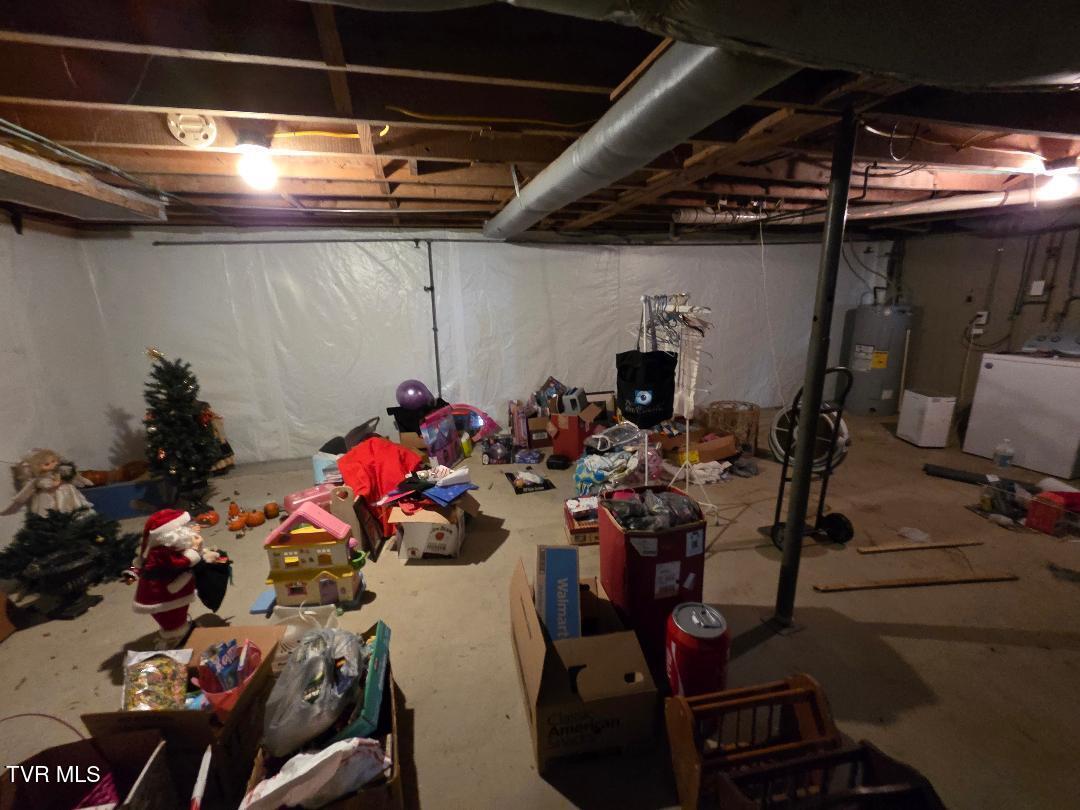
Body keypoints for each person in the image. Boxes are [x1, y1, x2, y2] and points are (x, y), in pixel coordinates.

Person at [126, 508, 218, 648]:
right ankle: (177, 638)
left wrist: (200, 550)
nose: (187, 529)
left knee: (176, 614)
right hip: (164, 593)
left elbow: (139, 564)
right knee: (172, 617)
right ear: (170, 533)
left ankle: (177, 631)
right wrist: (194, 551)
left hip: (170, 588)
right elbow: (180, 562)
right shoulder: (161, 552)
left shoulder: (165, 546)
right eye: (181, 527)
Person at [2, 448, 95, 517]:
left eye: (53, 461)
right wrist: (55, 481)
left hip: (69, 493)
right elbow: (45, 484)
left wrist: (80, 479)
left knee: (76, 506)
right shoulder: (40, 478)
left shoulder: (59, 471)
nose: (52, 464)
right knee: (57, 510)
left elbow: (73, 475)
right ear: (37, 467)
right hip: (53, 497)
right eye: (47, 464)